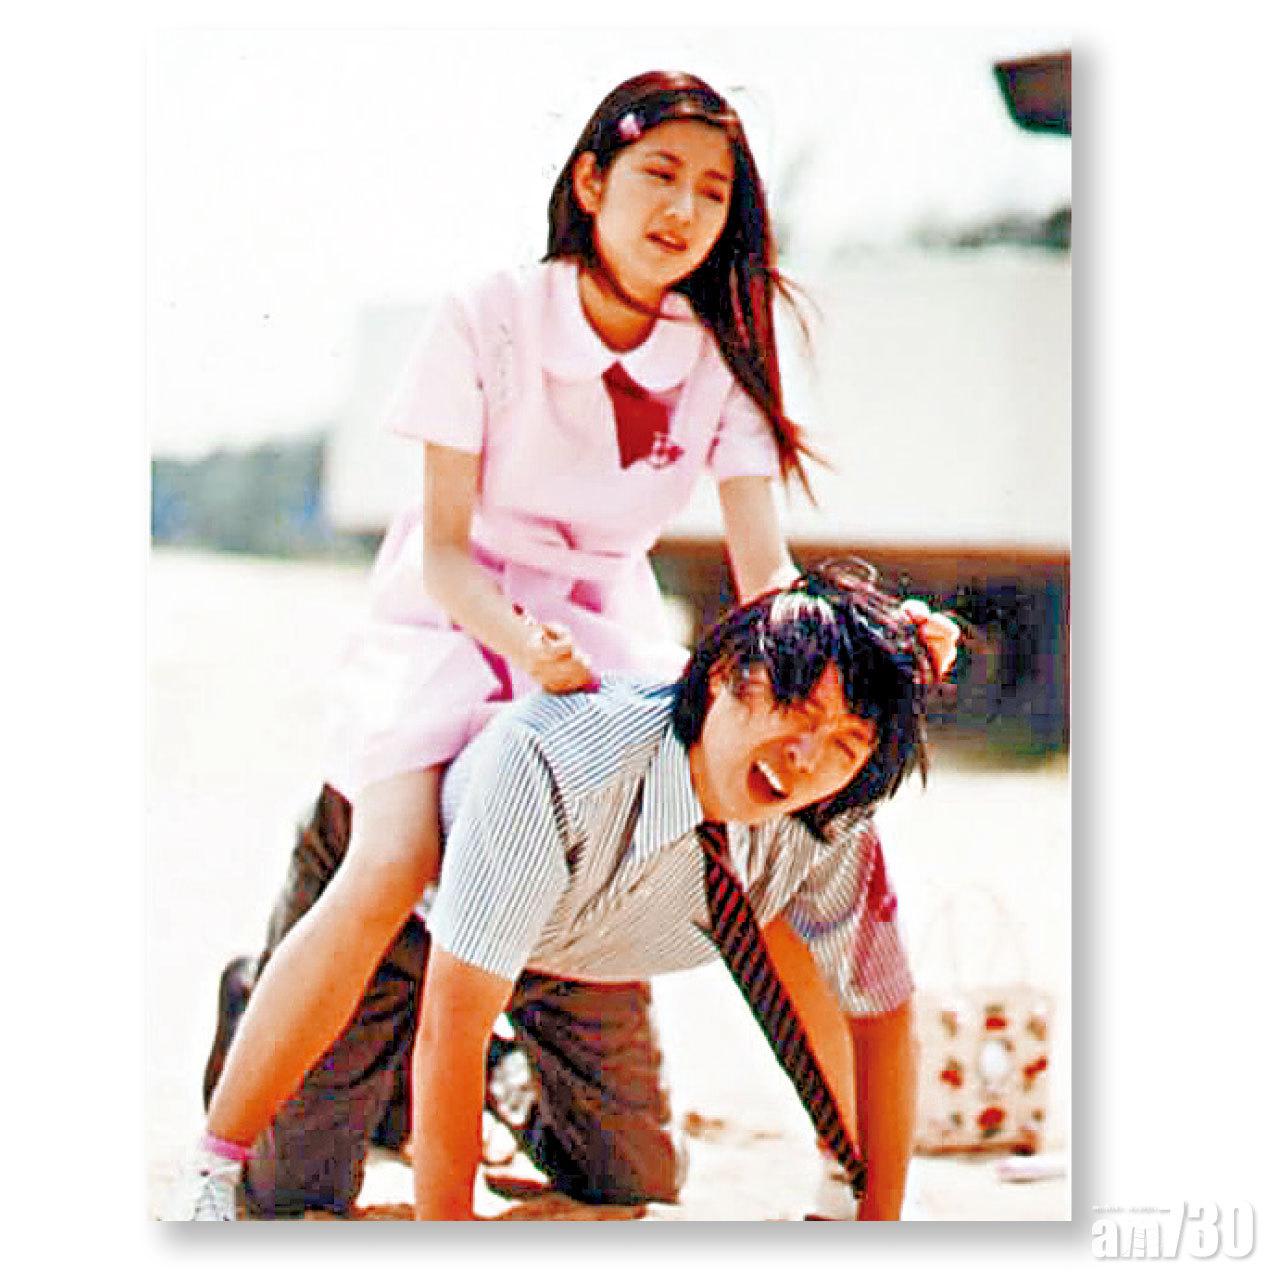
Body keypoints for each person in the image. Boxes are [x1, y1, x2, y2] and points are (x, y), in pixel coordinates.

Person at [177, 69, 959, 1219]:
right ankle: (215, 1156)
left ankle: (845, 1162)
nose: (682, 209)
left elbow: (765, 577)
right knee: (391, 860)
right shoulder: (488, 315)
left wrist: (878, 641)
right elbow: (444, 550)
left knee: (774, 845)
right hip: (452, 619)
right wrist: (519, 643)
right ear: (590, 180)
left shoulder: (716, 356)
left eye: (711, 191)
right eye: (657, 174)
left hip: (603, 629)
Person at [196, 564, 936, 1220]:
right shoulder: (560, 761)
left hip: (568, 943)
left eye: (845, 745)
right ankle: (263, 997)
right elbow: (453, 1022)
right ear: (722, 675)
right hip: (407, 917)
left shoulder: (831, 822)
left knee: (631, 1176)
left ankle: (488, 1076)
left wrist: (879, 1220)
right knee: (292, 1184)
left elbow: (880, 1013)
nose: (806, 758)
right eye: (798, 710)